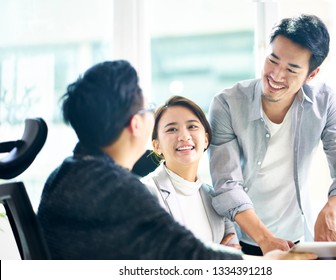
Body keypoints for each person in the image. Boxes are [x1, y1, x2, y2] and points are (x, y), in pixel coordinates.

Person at [37, 60, 315, 260]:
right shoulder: (115, 190)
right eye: (148, 110)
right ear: (136, 125)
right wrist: (269, 265)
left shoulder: (66, 176)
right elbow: (188, 258)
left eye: (193, 127)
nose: (183, 136)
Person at [208, 14, 336, 256]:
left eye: (292, 69)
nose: (276, 75)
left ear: (311, 76)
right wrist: (265, 239)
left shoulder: (323, 103)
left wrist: (330, 213)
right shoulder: (228, 103)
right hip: (241, 240)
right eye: (273, 60)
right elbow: (227, 184)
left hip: (298, 238)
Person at [142, 95, 240, 249]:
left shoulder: (217, 198)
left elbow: (233, 253)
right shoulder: (144, 193)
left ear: (206, 139)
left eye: (192, 126)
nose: (184, 136)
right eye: (172, 129)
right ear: (157, 146)